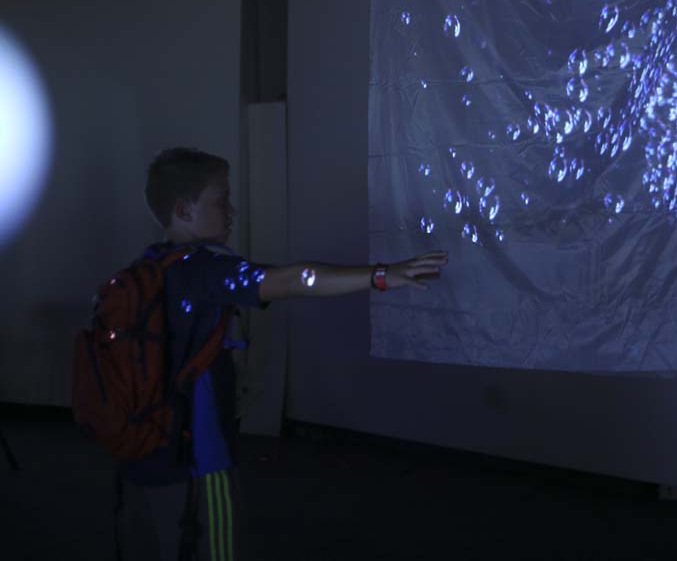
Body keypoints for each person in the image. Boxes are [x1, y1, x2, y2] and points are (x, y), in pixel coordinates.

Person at [115, 146, 448, 560]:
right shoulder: (204, 269)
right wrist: (382, 276)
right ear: (184, 210)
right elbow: (292, 280)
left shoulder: (145, 267)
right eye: (222, 200)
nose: (231, 211)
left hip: (140, 451)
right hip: (198, 458)